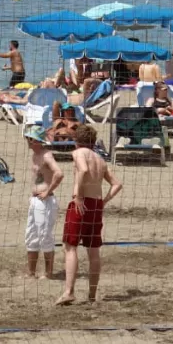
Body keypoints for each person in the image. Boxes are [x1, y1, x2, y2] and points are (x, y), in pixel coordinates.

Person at [57, 125, 124, 306]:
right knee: (93, 251)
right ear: (94, 142)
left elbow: (84, 170)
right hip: (95, 204)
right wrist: (103, 202)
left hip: (82, 203)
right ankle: (92, 295)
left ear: (76, 140)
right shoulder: (100, 159)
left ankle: (69, 292)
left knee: (70, 246)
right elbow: (117, 184)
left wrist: (78, 195)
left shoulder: (79, 153)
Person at [23, 126, 63, 280]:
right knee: (31, 236)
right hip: (35, 200)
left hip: (45, 200)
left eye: (31, 138)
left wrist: (47, 191)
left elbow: (59, 173)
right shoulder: (35, 155)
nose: (28, 141)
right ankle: (31, 273)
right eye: (28, 138)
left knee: (44, 236)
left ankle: (48, 273)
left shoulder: (46, 155)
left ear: (38, 141)